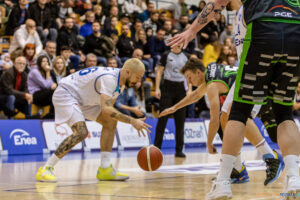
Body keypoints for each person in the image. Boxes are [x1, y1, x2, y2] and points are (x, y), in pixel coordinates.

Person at [167, 0, 300, 199]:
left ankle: (223, 182)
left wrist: (191, 30)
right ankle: (294, 177)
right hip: (296, 30)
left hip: (264, 28)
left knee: (237, 113)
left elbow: (217, 2)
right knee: (284, 112)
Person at [35, 58, 151, 182]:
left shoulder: (120, 81)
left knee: (110, 122)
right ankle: (46, 168)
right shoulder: (109, 79)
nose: (139, 82)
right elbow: (107, 109)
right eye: (137, 77)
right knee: (81, 132)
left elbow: (109, 111)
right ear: (127, 72)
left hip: (84, 99)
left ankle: (105, 169)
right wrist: (132, 121)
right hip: (66, 94)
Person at [154, 36, 190, 158]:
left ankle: (179, 150)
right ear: (171, 44)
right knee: (162, 118)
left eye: (180, 42)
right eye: (176, 42)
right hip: (167, 88)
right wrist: (157, 88)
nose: (178, 44)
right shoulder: (166, 55)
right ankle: (156, 148)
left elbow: (188, 74)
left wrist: (189, 90)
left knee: (180, 120)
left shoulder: (186, 56)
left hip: (181, 89)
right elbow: (159, 72)